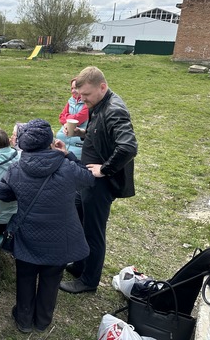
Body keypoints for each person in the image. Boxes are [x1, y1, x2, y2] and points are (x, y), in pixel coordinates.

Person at [0, 119, 94, 334]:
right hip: (61, 238)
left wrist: (19, 191)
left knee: (25, 276)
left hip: (28, 235)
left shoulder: (15, 169)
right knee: (51, 279)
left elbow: (2, 193)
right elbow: (89, 179)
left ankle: (23, 319)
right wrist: (67, 153)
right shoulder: (66, 166)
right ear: (50, 142)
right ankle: (42, 321)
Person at [59, 66, 138, 294]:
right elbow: (101, 132)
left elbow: (128, 146)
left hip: (99, 183)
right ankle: (81, 265)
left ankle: (89, 281)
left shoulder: (114, 110)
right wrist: (83, 134)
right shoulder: (98, 103)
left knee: (93, 231)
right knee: (79, 219)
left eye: (86, 95)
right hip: (87, 179)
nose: (82, 100)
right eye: (80, 95)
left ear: (102, 87)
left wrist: (104, 169)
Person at [55, 76, 88, 159]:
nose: (73, 91)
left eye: (76, 88)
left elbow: (78, 119)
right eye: (72, 88)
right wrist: (69, 117)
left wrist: (67, 116)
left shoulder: (88, 102)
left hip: (78, 142)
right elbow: (61, 117)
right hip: (65, 138)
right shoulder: (71, 101)